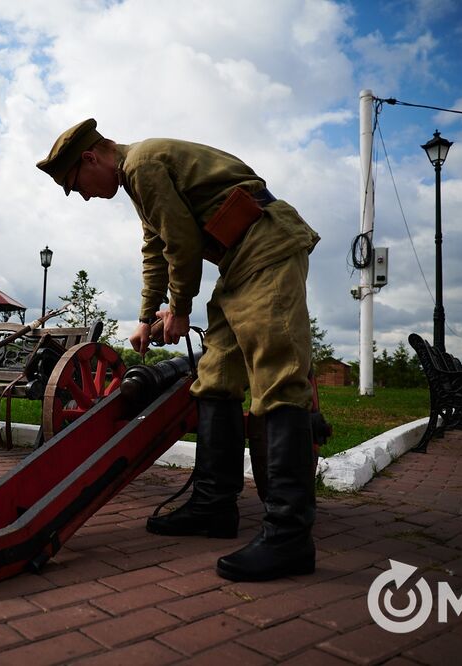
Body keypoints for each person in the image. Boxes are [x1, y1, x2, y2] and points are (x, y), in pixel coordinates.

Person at [37, 119, 320, 582]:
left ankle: (290, 537)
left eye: (76, 186)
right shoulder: (138, 180)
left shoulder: (146, 163)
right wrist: (148, 316)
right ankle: (213, 506)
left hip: (267, 244)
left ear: (91, 158)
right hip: (237, 260)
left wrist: (180, 308)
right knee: (215, 376)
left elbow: (183, 244)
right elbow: (156, 248)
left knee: (277, 375)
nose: (84, 197)